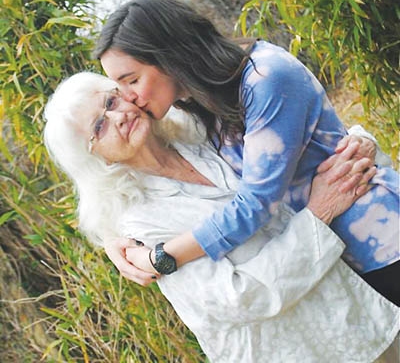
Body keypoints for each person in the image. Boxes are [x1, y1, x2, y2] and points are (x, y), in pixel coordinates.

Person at [43, 72, 399, 362]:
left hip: (362, 312)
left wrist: (357, 140)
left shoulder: (203, 137)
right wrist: (319, 214)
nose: (118, 116)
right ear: (96, 159)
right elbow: (240, 297)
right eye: (99, 127)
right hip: (300, 347)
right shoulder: (138, 225)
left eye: (111, 100)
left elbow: (292, 156)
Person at [94, 0, 400, 301]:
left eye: (131, 80)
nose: (128, 97)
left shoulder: (265, 79)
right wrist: (116, 240)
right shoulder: (200, 103)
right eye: (119, 88)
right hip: (348, 263)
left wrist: (161, 257)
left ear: (169, 55)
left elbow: (256, 203)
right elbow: (151, 166)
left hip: (385, 238)